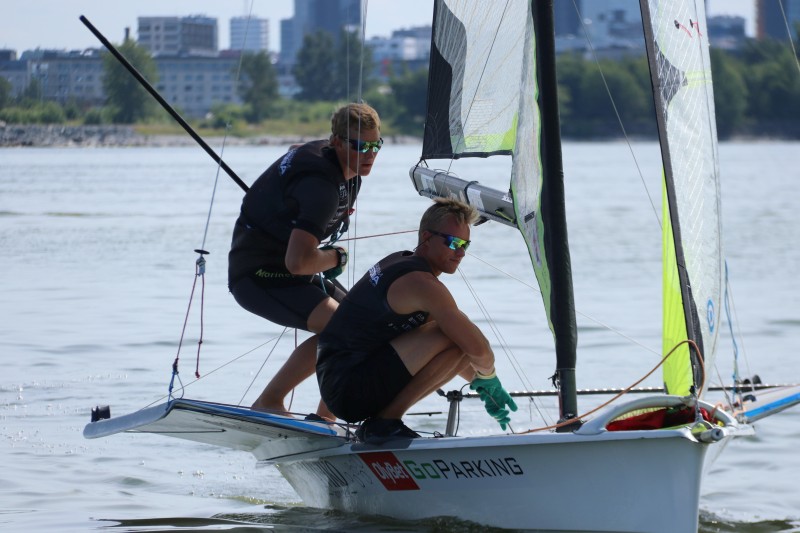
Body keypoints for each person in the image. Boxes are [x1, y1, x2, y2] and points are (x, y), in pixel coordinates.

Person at [316, 198, 518, 443]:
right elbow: (479, 349)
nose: (461, 253)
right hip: (348, 388)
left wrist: (482, 384)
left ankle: (383, 422)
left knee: (456, 338)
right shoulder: (421, 284)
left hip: (338, 383)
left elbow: (453, 350)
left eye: (465, 245)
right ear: (426, 237)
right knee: (459, 337)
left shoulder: (400, 260)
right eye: (454, 243)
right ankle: (385, 423)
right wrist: (489, 378)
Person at [228, 102, 383, 420]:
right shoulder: (321, 189)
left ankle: (327, 419)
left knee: (371, 327)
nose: (369, 155)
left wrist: (282, 195)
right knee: (343, 329)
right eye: (360, 146)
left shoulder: (337, 164)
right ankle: (269, 401)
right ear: (337, 142)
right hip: (259, 276)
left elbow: (296, 150)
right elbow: (298, 263)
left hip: (290, 271)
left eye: (375, 145)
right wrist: (336, 256)